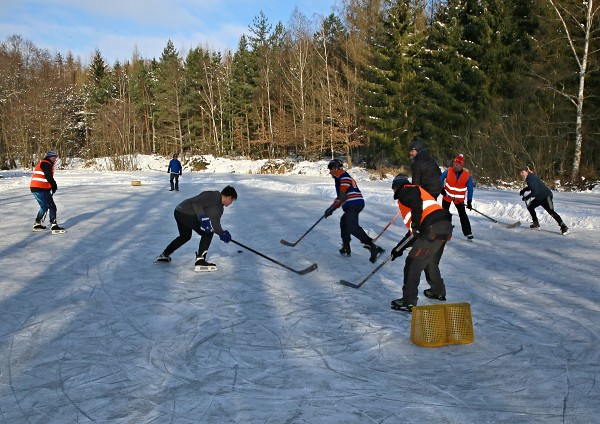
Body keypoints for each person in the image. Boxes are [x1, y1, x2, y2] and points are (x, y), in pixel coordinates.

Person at [389, 173, 453, 312]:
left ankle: (408, 301)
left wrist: (416, 225)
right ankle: (438, 291)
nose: (394, 192)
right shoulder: (418, 192)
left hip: (432, 228)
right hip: (444, 226)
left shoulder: (406, 190)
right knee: (430, 262)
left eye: (393, 189)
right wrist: (399, 248)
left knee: (413, 263)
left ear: (396, 187)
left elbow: (416, 211)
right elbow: (413, 233)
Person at [156, 185, 237, 269]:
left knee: (185, 236)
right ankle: (200, 260)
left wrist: (222, 233)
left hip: (180, 212)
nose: (231, 203)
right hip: (184, 212)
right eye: (232, 201)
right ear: (230, 198)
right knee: (208, 233)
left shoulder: (220, 208)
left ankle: (164, 254)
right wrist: (203, 218)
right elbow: (197, 203)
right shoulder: (213, 195)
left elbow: (215, 223)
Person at [324, 159, 384, 263]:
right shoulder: (340, 177)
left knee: (351, 226)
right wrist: (331, 208)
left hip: (354, 203)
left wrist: (332, 209)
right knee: (344, 222)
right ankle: (346, 246)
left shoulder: (343, 176)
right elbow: (340, 197)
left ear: (336, 168)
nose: (330, 172)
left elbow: (342, 197)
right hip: (352, 204)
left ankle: (373, 247)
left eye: (331, 169)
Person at [519, 166, 569, 235]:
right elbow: (533, 186)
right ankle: (536, 224)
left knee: (551, 211)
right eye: (520, 172)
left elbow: (535, 190)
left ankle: (564, 227)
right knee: (530, 206)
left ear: (527, 172)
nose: (521, 174)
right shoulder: (530, 176)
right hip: (539, 198)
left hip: (546, 196)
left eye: (522, 172)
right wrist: (524, 190)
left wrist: (527, 197)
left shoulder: (530, 178)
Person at [440, 154, 474, 240]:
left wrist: (469, 201)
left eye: (457, 164)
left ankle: (468, 233)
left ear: (462, 165)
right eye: (454, 164)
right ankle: (445, 231)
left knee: (462, 214)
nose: (454, 166)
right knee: (444, 214)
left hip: (458, 199)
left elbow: (470, 189)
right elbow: (439, 179)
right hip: (447, 196)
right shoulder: (448, 171)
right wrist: (441, 189)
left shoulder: (467, 175)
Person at [30, 150, 65, 232]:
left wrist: (50, 187)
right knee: (51, 206)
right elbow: (48, 176)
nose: (55, 159)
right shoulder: (46, 163)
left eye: (56, 157)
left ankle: (37, 223)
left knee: (44, 206)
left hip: (38, 188)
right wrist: (54, 186)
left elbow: (45, 178)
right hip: (40, 189)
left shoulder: (45, 163)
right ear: (49, 157)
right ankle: (53, 224)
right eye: (54, 157)